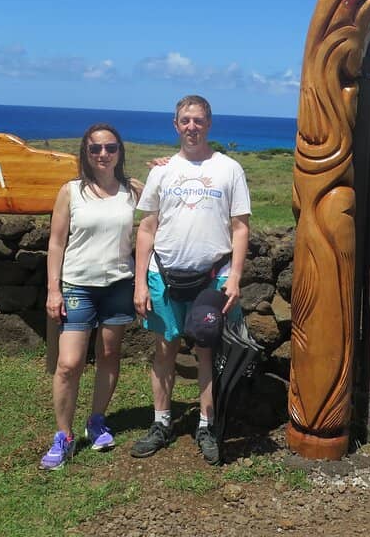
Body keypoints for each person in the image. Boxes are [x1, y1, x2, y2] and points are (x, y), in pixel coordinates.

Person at [131, 95, 251, 465]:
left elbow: (240, 227)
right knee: (164, 350)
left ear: (209, 124)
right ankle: (161, 422)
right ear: (175, 124)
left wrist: (235, 277)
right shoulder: (161, 172)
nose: (192, 127)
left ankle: (206, 424)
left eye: (198, 120)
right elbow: (147, 227)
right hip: (163, 275)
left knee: (205, 352)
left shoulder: (229, 169)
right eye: (185, 120)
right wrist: (139, 283)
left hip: (211, 277)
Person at [40, 123, 142, 470]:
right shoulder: (71, 191)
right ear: (86, 152)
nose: (103, 154)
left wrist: (165, 168)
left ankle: (97, 419)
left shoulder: (133, 190)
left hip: (118, 284)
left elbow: (165, 207)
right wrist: (53, 289)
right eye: (95, 148)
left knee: (110, 354)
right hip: (77, 285)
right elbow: (56, 243)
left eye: (110, 148)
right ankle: (63, 435)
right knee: (68, 364)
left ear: (119, 152)